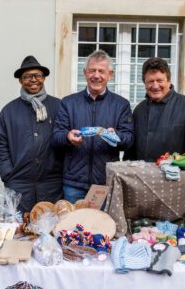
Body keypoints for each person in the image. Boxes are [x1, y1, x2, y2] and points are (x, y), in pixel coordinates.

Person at [53, 49, 134, 203]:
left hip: (104, 181)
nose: (96, 75)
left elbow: (129, 139)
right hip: (73, 184)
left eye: (101, 71)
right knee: (71, 226)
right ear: (85, 73)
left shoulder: (121, 105)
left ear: (110, 75)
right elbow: (56, 136)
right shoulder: (68, 103)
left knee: (101, 226)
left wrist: (116, 136)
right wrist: (67, 137)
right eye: (92, 71)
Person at [0, 56, 63, 213]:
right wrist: (8, 173)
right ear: (20, 80)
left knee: (52, 230)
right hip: (19, 184)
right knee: (20, 231)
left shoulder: (59, 106)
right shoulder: (9, 111)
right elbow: (1, 145)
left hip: (52, 183)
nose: (33, 80)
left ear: (44, 78)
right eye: (27, 76)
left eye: (38, 75)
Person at [124, 57, 185, 163]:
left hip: (177, 178)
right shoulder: (139, 110)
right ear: (145, 83)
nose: (155, 86)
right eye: (150, 81)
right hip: (142, 178)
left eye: (160, 80)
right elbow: (130, 154)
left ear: (169, 81)